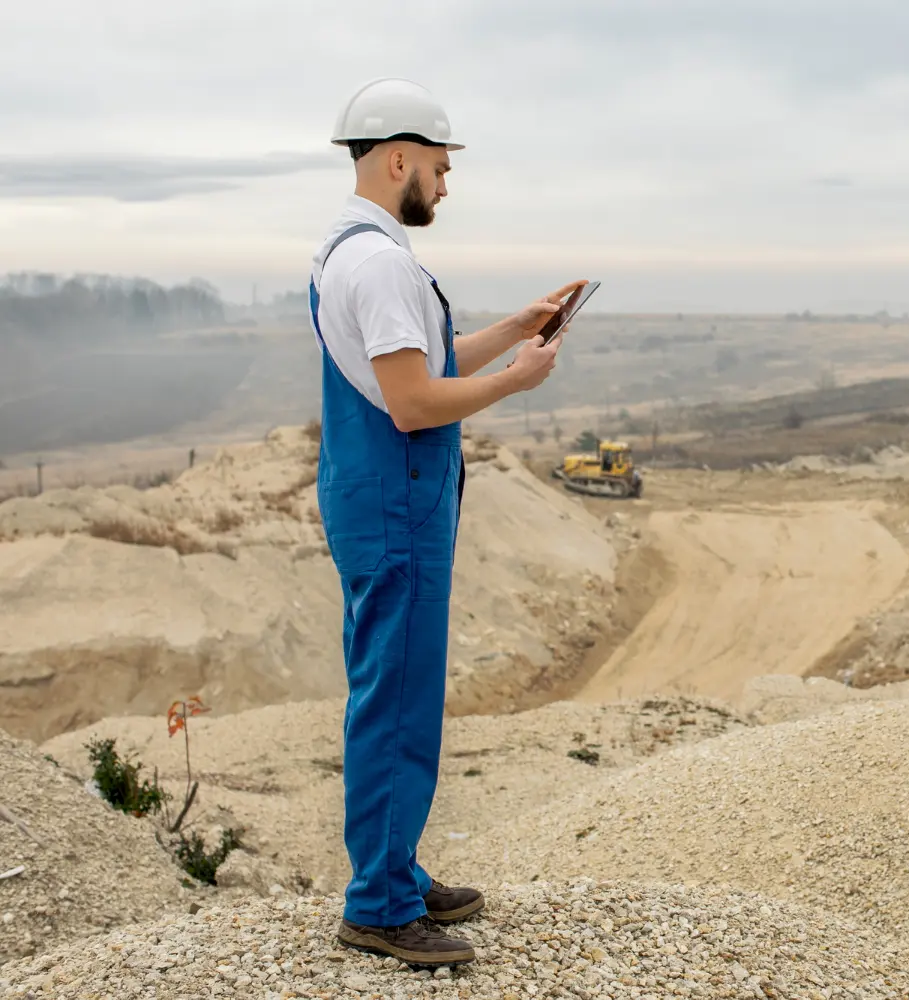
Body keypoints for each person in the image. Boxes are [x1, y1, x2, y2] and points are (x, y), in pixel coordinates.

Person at [308, 77, 585, 966]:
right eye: (438, 165)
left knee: (394, 689)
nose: (445, 184)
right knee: (396, 698)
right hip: (396, 499)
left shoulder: (351, 250)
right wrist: (519, 381)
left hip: (382, 494)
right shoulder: (384, 262)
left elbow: (424, 361)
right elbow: (416, 399)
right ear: (398, 159)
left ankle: (395, 866)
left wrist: (518, 326)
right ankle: (381, 905)